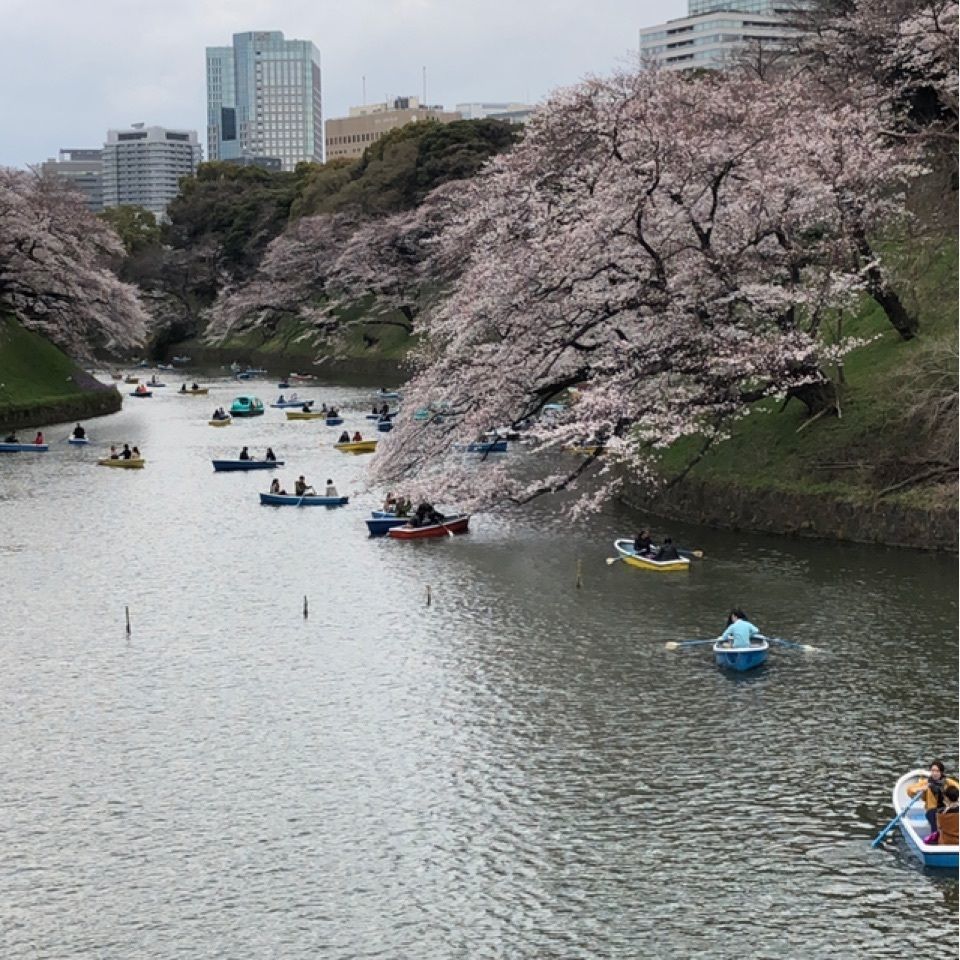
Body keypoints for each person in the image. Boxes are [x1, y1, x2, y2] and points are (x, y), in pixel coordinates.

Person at [907, 760, 960, 838]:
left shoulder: (947, 782)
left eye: (937, 771)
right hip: (932, 811)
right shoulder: (926, 782)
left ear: (941, 772)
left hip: (945, 809)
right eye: (933, 771)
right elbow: (909, 790)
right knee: (933, 814)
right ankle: (935, 836)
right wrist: (921, 788)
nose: (935, 773)